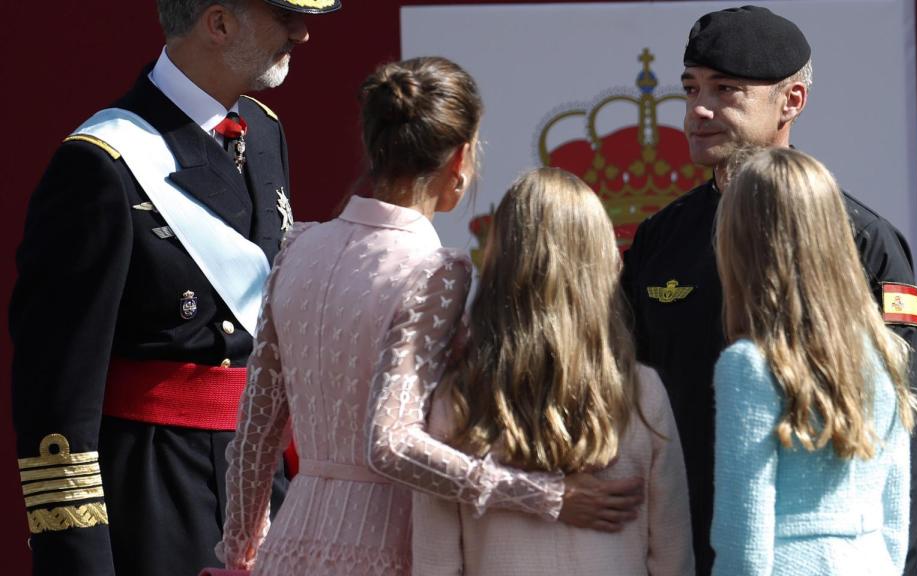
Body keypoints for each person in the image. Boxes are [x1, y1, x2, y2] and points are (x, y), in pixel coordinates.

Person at [217, 57, 644, 575]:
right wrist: (545, 495)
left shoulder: (298, 246)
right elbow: (391, 444)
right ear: (461, 157)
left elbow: (255, 433)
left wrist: (241, 553)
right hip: (390, 548)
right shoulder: (437, 271)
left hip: (285, 551)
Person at [9, 1, 340, 575]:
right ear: (218, 23)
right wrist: (78, 556)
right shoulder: (100, 165)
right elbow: (56, 393)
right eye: (284, 16)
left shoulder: (263, 131)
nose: (304, 33)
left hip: (266, 482)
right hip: (160, 491)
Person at [620, 6, 917, 576]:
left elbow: (906, 436)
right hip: (673, 550)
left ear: (791, 101)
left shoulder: (863, 241)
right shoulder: (659, 238)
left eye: (727, 90)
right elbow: (624, 398)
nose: (699, 110)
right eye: (691, 88)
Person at [410, 168, 695, 576]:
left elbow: (436, 563)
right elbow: (672, 559)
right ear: (602, 267)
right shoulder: (641, 394)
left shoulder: (457, 400)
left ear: (500, 265)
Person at [711, 147, 917, 575]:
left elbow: (743, 534)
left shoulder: (749, 366)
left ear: (741, 244)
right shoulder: (884, 351)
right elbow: (896, 515)